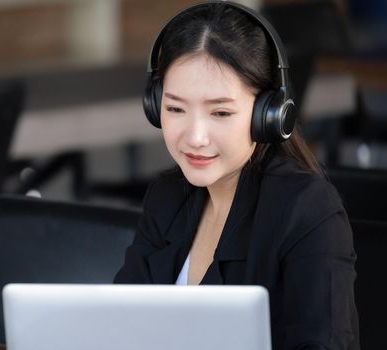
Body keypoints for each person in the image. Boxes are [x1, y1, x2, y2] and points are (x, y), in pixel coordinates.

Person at [114, 2, 359, 350]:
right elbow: (120, 326)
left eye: (221, 112)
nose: (195, 136)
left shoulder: (306, 210)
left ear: (268, 114)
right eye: (175, 108)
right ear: (155, 107)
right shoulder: (167, 198)